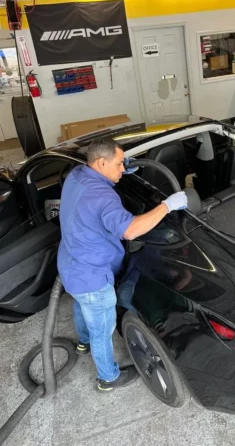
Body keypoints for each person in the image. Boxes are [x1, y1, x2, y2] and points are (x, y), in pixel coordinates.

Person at [57, 137, 188, 392]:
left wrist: (121, 170)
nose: (122, 168)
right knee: (102, 330)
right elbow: (130, 230)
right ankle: (108, 378)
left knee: (81, 305)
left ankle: (83, 342)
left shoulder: (76, 174)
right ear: (101, 163)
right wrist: (167, 205)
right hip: (92, 276)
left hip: (70, 262)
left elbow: (97, 188)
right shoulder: (103, 196)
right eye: (119, 164)